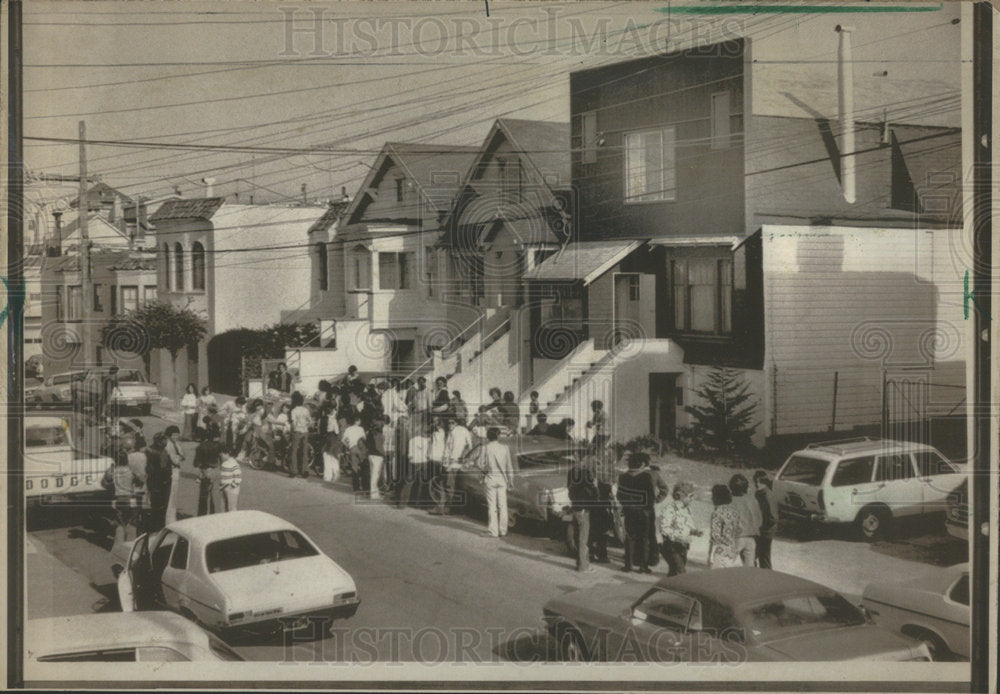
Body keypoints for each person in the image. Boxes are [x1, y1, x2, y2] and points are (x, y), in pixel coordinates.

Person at [617, 452, 655, 573]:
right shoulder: (645, 477)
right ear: (642, 464)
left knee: (629, 538)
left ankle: (628, 565)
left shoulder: (623, 477)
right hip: (643, 512)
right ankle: (643, 566)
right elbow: (650, 497)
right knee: (643, 539)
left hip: (629, 511)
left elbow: (619, 496)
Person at [656, 482, 702, 576]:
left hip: (684, 545)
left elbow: (689, 526)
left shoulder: (687, 509)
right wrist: (678, 536)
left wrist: (695, 531)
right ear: (679, 495)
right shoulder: (670, 509)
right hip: (671, 545)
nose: (692, 499)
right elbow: (664, 529)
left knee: (674, 570)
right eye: (690, 496)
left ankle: (669, 585)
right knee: (680, 571)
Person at [432, 416, 472, 515]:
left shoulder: (458, 432)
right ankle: (445, 506)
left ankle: (446, 508)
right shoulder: (459, 431)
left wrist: (453, 460)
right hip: (452, 461)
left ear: (456, 423)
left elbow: (459, 448)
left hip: (453, 461)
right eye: (449, 423)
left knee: (449, 484)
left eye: (452, 423)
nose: (450, 425)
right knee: (447, 483)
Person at [101, 435, 138, 545]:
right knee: (131, 523)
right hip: (130, 499)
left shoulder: (112, 471)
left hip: (118, 500)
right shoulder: (131, 470)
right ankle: (131, 545)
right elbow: (140, 481)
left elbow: (104, 483)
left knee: (120, 524)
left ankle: (119, 545)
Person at [480, 427, 514, 538]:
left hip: (491, 478)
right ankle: (503, 530)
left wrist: (484, 471)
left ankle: (493, 531)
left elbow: (481, 464)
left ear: (488, 436)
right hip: (502, 479)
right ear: (498, 436)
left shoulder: (485, 448)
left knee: (492, 506)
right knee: (503, 505)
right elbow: (509, 466)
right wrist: (511, 480)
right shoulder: (505, 448)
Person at [567, 456, 599, 573]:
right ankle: (583, 566)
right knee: (583, 539)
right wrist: (595, 487)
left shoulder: (571, 472)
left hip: (575, 506)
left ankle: (580, 563)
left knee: (578, 536)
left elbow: (569, 489)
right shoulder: (586, 474)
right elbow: (593, 494)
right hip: (584, 509)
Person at [729, 474, 762, 567]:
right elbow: (759, 520)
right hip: (751, 538)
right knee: (749, 569)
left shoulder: (730, 500)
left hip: (736, 537)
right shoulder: (752, 499)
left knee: (725, 564)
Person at [144, 432, 172, 532]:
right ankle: (158, 528)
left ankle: (156, 526)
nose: (166, 442)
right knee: (161, 506)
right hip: (161, 482)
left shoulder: (150, 450)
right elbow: (164, 468)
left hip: (154, 481)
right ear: (160, 441)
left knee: (155, 506)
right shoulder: (160, 452)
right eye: (165, 440)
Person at [708, 484, 741, 568]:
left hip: (720, 551)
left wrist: (710, 556)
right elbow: (739, 530)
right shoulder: (734, 512)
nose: (711, 498)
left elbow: (715, 536)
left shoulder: (717, 512)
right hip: (732, 550)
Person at [194, 423, 223, 516]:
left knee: (203, 496)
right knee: (215, 496)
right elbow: (222, 460)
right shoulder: (220, 446)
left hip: (206, 470)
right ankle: (214, 515)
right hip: (217, 471)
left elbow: (195, 463)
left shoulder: (201, 446)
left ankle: (201, 515)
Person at [754, 470, 779, 569]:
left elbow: (773, 518)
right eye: (755, 482)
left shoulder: (767, 495)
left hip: (766, 532)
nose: (756, 484)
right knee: (763, 557)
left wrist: (760, 527)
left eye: (758, 482)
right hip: (763, 531)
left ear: (763, 482)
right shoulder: (761, 493)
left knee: (755, 556)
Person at [403, 423, 431, 508]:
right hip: (423, 462)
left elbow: (410, 454)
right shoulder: (427, 441)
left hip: (413, 462)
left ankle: (403, 502)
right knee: (420, 483)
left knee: (409, 483)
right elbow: (428, 454)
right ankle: (417, 503)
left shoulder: (412, 440)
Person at [341, 411, 368, 493]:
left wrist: (348, 446)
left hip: (352, 448)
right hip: (360, 448)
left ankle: (356, 488)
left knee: (354, 467)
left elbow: (343, 440)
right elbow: (364, 439)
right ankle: (364, 486)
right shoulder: (360, 429)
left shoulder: (348, 429)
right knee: (363, 467)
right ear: (358, 421)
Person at [288, 391, 312, 479]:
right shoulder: (305, 410)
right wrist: (306, 426)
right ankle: (305, 470)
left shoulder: (294, 411)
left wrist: (294, 430)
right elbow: (310, 421)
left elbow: (293, 423)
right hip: (305, 431)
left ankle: (293, 471)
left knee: (294, 451)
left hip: (297, 431)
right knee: (304, 451)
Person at [163, 425, 184, 523]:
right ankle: (169, 519)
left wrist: (179, 457)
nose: (176, 437)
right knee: (171, 495)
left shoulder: (175, 443)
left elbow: (182, 455)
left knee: (174, 495)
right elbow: (176, 460)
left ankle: (171, 516)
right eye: (174, 435)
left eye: (177, 435)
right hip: (172, 471)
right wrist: (179, 457)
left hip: (176, 471)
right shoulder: (168, 445)